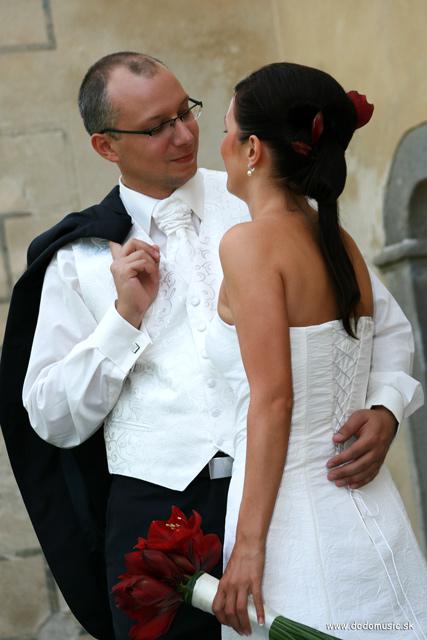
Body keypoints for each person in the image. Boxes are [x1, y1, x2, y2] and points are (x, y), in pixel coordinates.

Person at [0, 53, 421, 640]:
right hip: (161, 524)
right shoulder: (78, 259)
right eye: (157, 127)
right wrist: (122, 321)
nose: (184, 135)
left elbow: (382, 324)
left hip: (293, 506)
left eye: (187, 112)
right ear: (105, 146)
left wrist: (385, 407)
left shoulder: (267, 197)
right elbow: (51, 418)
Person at [208, 62, 427, 639]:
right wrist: (384, 408)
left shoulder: (249, 245)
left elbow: (274, 400)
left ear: (253, 149)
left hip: (291, 531)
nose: (221, 143)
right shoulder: (339, 242)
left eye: (227, 129)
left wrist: (248, 547)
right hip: (374, 515)